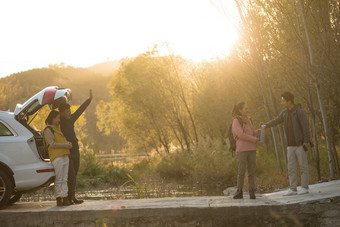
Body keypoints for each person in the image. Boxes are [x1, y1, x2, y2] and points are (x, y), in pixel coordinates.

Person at [262, 91, 311, 196]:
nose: (282, 102)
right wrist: (265, 125)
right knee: (291, 168)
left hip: (300, 144)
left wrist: (306, 141)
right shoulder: (284, 113)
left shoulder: (299, 112)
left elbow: (306, 127)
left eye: (283, 100)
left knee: (303, 166)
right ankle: (293, 189)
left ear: (289, 101)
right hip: (290, 146)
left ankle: (304, 187)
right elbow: (276, 121)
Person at [58, 89, 92, 204]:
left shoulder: (71, 119)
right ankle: (68, 197)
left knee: (75, 174)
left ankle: (73, 196)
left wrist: (89, 99)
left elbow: (80, 110)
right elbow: (50, 120)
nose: (69, 113)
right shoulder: (60, 122)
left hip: (76, 150)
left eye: (69, 111)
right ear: (62, 113)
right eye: (67, 111)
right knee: (70, 175)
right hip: (67, 152)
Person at [43, 110, 73, 206]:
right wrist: (65, 145)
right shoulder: (48, 130)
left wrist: (67, 145)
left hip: (65, 155)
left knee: (64, 179)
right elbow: (52, 144)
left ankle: (65, 198)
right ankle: (58, 199)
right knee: (59, 179)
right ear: (53, 118)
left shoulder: (58, 128)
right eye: (58, 118)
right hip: (57, 157)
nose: (59, 120)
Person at [232, 102, 260, 199]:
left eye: (247, 108)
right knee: (241, 171)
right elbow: (241, 135)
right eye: (245, 109)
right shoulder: (236, 121)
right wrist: (254, 139)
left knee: (251, 172)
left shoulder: (249, 119)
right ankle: (239, 191)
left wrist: (257, 132)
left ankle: (252, 191)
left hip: (252, 149)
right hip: (242, 150)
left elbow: (251, 133)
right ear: (240, 110)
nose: (247, 110)